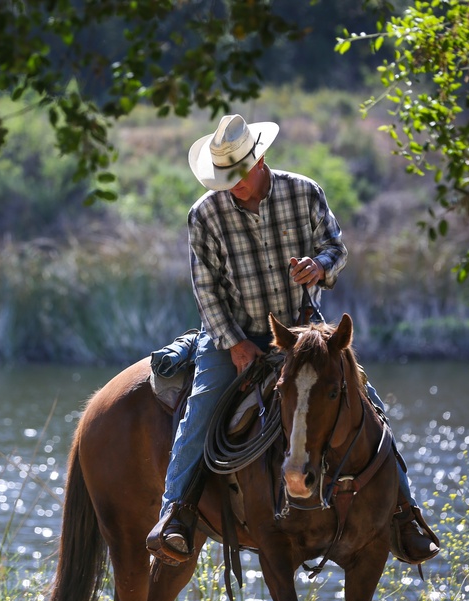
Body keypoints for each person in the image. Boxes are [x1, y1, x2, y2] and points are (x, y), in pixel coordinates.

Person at [145, 114, 440, 566]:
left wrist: (320, 267)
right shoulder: (204, 214)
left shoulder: (304, 192)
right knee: (201, 408)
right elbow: (205, 289)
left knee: (371, 406)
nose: (232, 187)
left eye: (238, 177)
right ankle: (175, 514)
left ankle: (405, 515)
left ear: (259, 159)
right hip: (233, 334)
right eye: (224, 179)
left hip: (303, 330)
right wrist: (235, 343)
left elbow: (336, 248)